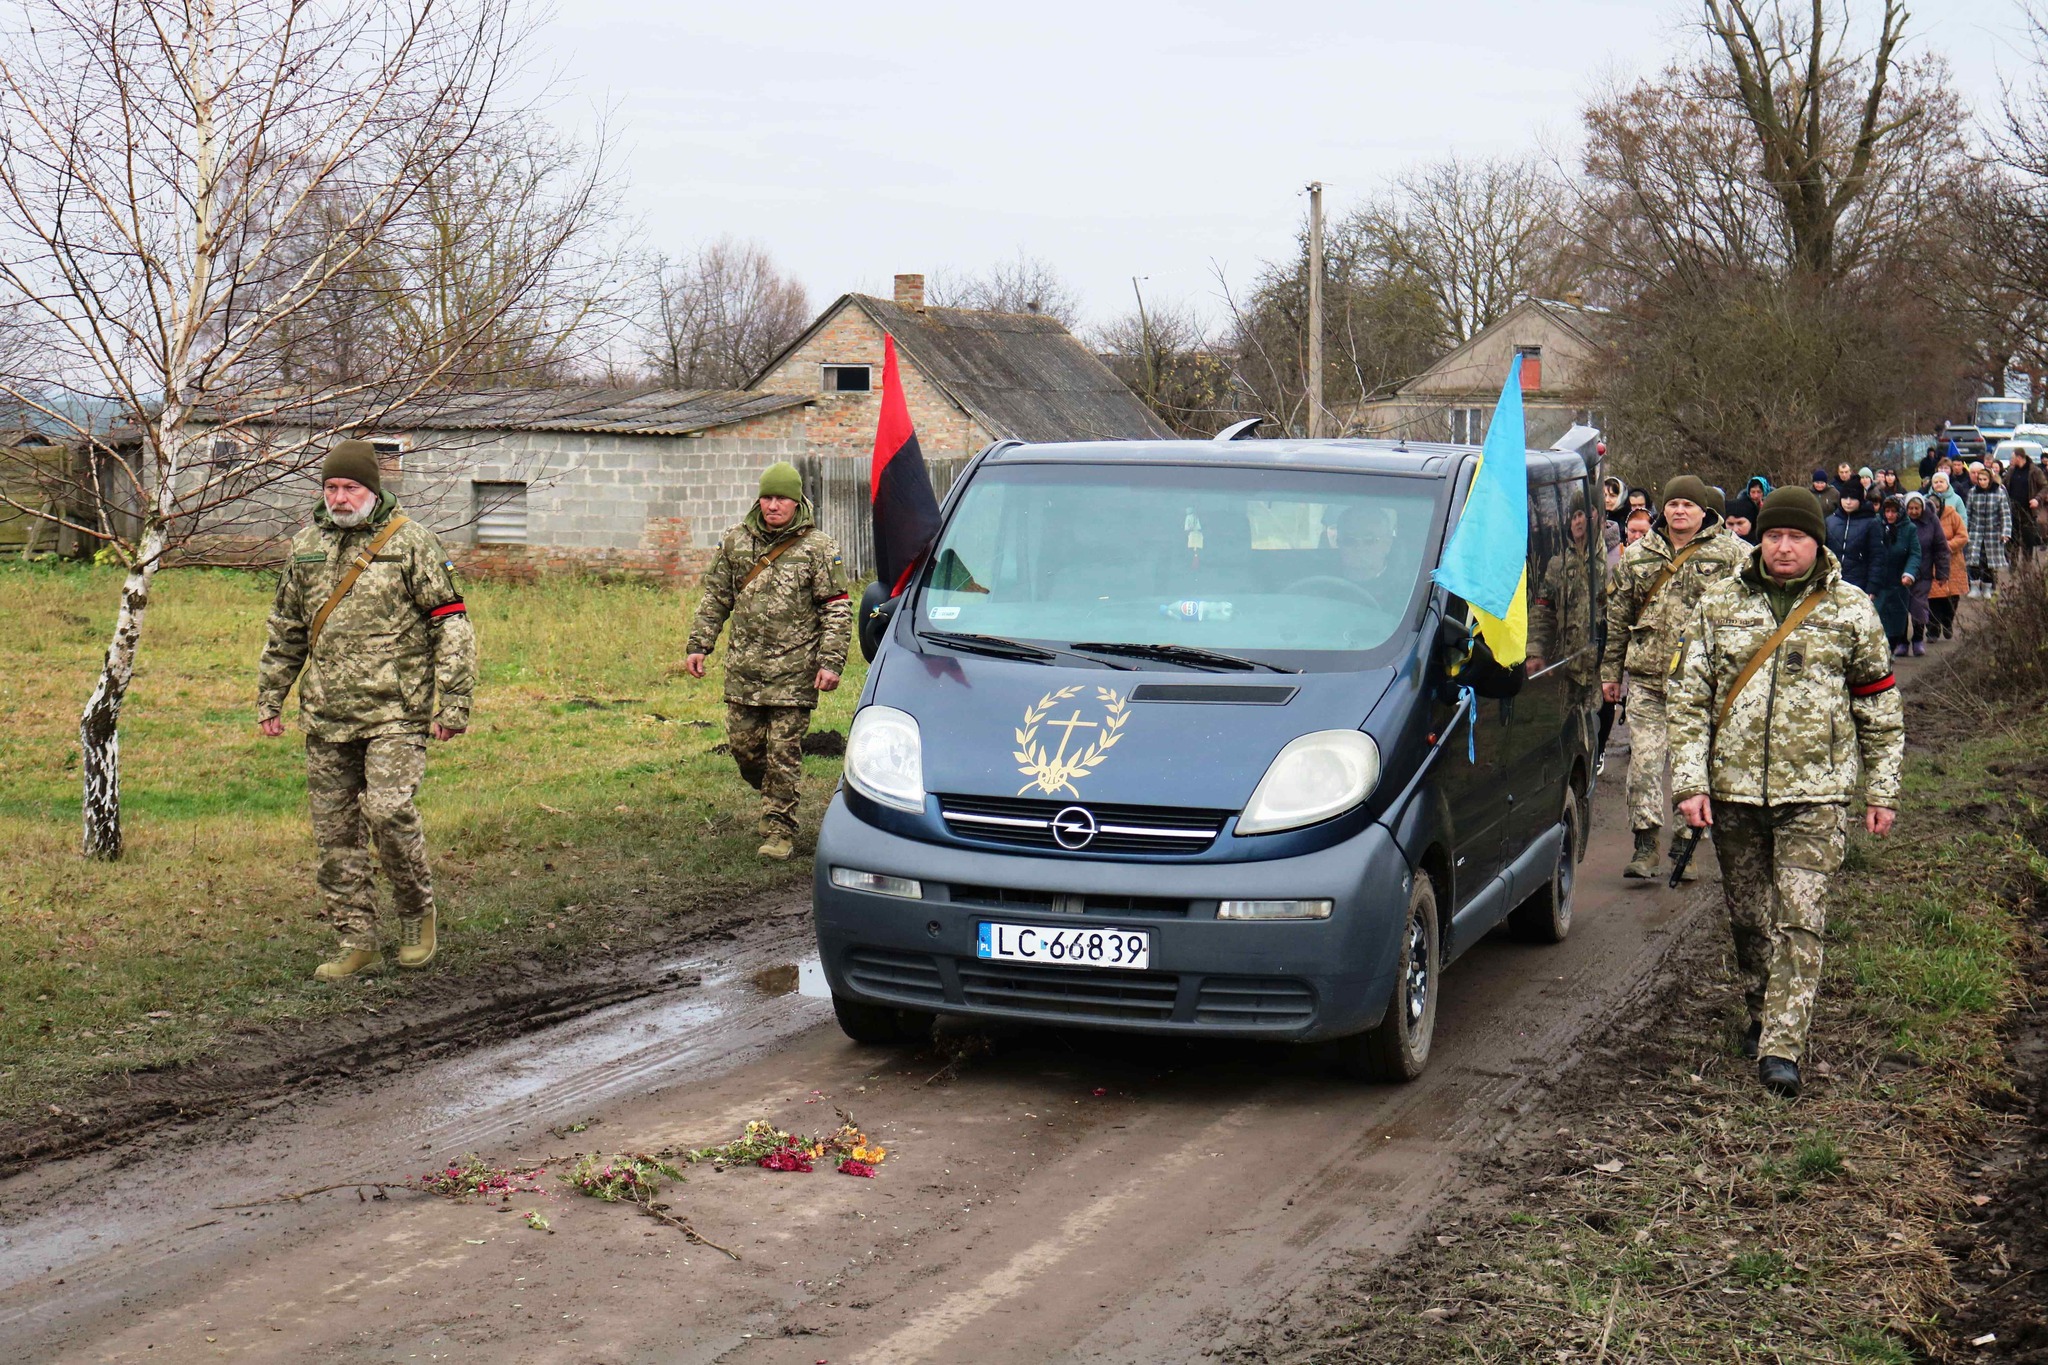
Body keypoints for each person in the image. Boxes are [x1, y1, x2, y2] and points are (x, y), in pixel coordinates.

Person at [1668, 487, 1903, 1098]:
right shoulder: (1719, 605)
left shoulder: (1850, 610)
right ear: (1759, 540)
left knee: (1802, 918)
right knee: (1750, 918)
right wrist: (1691, 783)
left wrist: (1882, 789)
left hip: (1817, 793)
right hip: (1735, 791)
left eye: (1796, 536)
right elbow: (1689, 700)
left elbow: (1878, 707)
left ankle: (1782, 1044)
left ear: (1817, 543)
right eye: (1773, 535)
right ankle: (1759, 1007)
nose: (1783, 547)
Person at [255, 440, 477, 981]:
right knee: (335, 834)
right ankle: (355, 939)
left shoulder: (411, 543)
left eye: (349, 486)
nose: (339, 496)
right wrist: (271, 694)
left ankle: (415, 913)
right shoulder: (305, 545)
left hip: (395, 712)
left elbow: (451, 622)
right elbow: (287, 627)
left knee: (388, 812)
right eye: (330, 487)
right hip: (327, 713)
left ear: (372, 489)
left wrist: (454, 699)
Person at [685, 462, 852, 861]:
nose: (774, 505)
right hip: (744, 670)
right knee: (745, 751)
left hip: (795, 672)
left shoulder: (819, 548)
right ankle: (774, 797)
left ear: (797, 502)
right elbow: (716, 598)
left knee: (783, 751)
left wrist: (830, 662)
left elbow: (837, 608)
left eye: (782, 498)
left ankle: (779, 829)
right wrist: (699, 644)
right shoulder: (736, 542)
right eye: (768, 497)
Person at [1600, 475, 1749, 882]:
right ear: (1661, 510)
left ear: (1704, 511)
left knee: (1692, 765)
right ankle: (1645, 844)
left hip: (1704, 682)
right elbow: (1618, 617)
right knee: (1644, 763)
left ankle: (1686, 844)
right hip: (1648, 679)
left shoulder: (1734, 554)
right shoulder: (1639, 554)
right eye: (1672, 504)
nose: (1679, 511)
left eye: (1688, 505)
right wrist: (1611, 673)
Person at [1873, 496, 1922, 656]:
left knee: (1897, 620)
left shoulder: (1909, 529)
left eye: (1894, 511)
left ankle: (1891, 650)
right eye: (1887, 511)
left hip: (1899, 582)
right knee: (1878, 618)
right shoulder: (1876, 526)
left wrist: (1909, 573)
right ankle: (1881, 654)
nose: (1890, 515)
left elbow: (1915, 553)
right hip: (1879, 582)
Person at [1902, 493, 1947, 655]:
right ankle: (1902, 641)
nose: (1913, 512)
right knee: (1901, 607)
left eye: (1917, 508)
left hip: (1923, 572)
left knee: (1918, 606)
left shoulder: (1931, 521)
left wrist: (1942, 572)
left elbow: (1941, 547)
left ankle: (1918, 639)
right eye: (1910, 508)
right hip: (1901, 572)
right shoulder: (1900, 522)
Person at [1964, 463, 2012, 600]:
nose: (1982, 482)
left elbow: (2005, 514)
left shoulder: (1999, 492)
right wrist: (1966, 532)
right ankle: (1974, 587)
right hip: (1975, 532)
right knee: (1974, 560)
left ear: (1990, 479)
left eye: (1985, 479)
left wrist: (2005, 532)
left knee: (1989, 562)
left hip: (1993, 533)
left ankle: (1987, 588)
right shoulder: (1973, 492)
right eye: (1980, 480)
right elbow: (1968, 513)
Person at [1929, 489, 1969, 640]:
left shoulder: (1952, 515)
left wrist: (1947, 546)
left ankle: (1947, 621)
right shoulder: (1924, 519)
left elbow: (1963, 536)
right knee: (1932, 598)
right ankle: (1932, 629)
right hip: (1932, 563)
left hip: (1953, 561)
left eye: (1937, 507)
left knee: (1952, 596)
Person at [1825, 490, 1883, 595]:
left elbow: (1877, 556)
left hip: (1859, 583)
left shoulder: (1871, 523)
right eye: (1845, 498)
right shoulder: (1830, 521)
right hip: (1831, 580)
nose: (1848, 502)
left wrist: (1873, 586)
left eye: (1852, 498)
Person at [2006, 446, 2046, 561]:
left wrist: (2037, 499)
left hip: (2028, 512)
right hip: (2013, 511)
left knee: (2028, 542)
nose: (2011, 460)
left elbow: (2044, 486)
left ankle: (2027, 568)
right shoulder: (2011, 470)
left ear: (2019, 457)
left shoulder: (2034, 471)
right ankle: (2012, 567)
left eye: (2013, 457)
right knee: (2013, 541)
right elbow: (2003, 485)